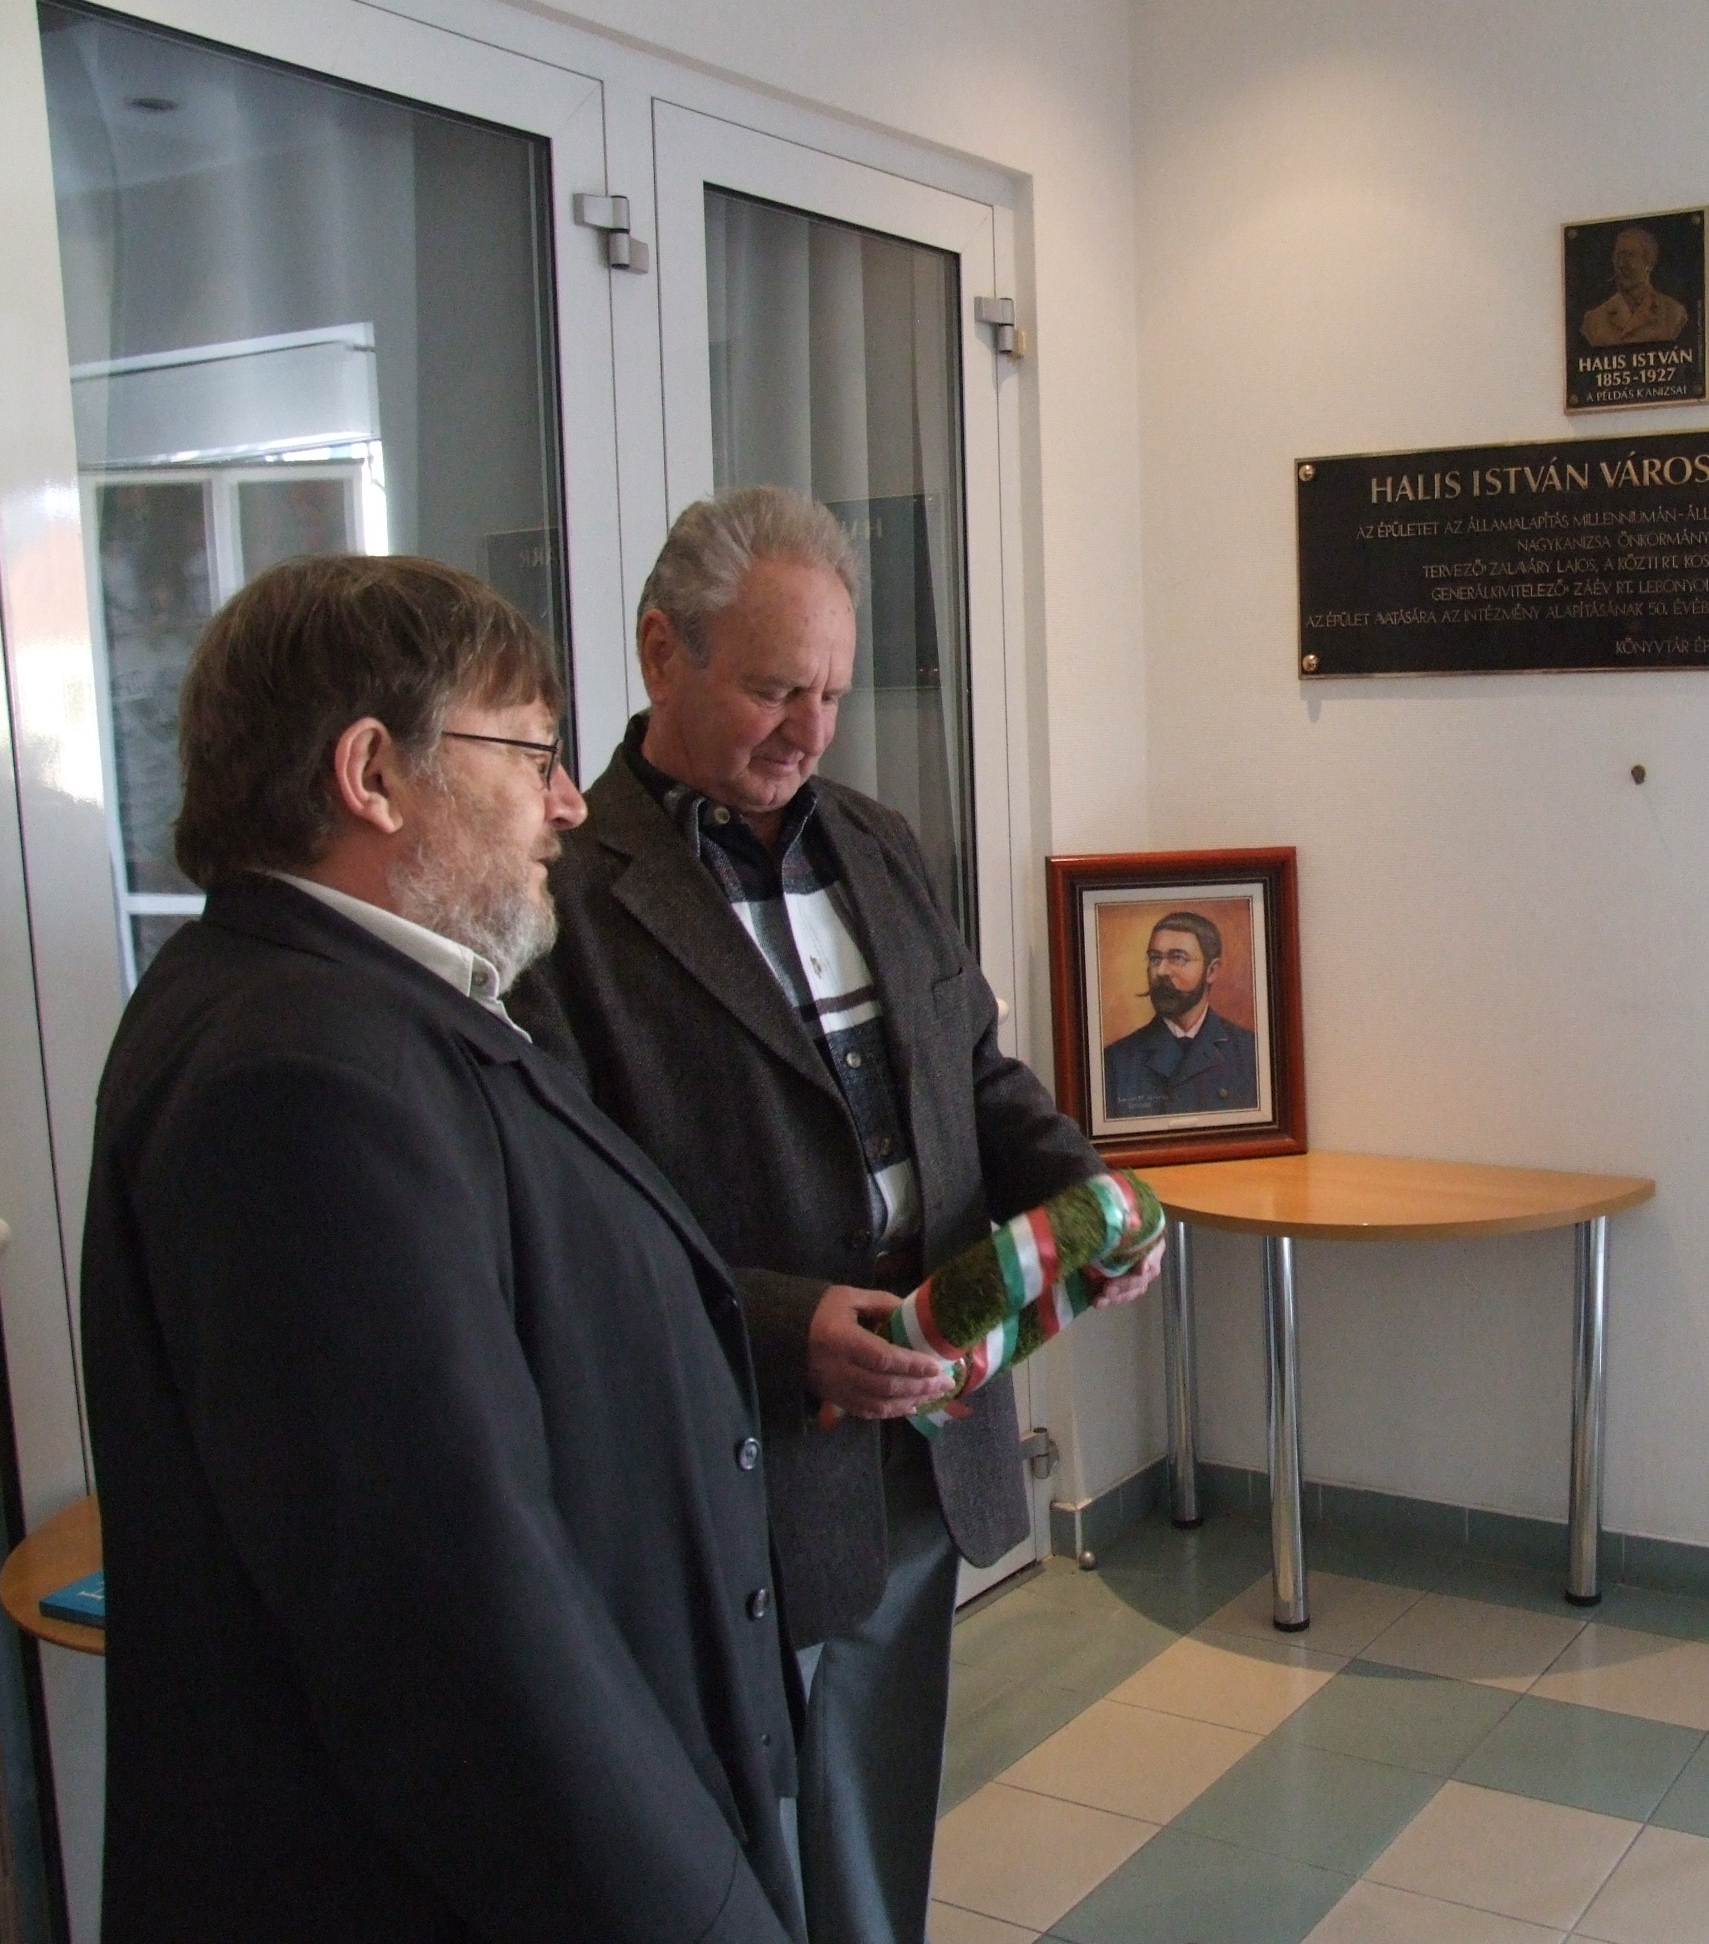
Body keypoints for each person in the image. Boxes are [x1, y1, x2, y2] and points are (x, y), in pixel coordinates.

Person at [82, 556, 801, 1940]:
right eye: (532, 751)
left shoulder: (347, 1003)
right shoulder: (296, 1077)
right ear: (374, 774)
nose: (570, 800)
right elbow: (455, 1625)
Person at [511, 486, 1159, 1944]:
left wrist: (1081, 1190)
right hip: (724, 1458)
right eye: (771, 690)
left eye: (832, 693)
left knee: (870, 1826)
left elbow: (971, 1072)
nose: (808, 731)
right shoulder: (564, 898)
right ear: (660, 650)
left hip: (921, 1438)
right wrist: (780, 1324)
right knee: (732, 1855)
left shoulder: (875, 841)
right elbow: (570, 1215)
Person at [1101, 911, 1262, 1119]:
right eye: (1155, 958)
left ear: (1211, 971)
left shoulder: (1251, 1053)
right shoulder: (1115, 1062)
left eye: (1177, 958)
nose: (1161, 971)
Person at [1580, 225, 1688, 347]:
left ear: (1649, 263)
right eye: (1617, 256)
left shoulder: (1673, 313)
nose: (1621, 264)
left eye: (1629, 255)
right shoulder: (1593, 322)